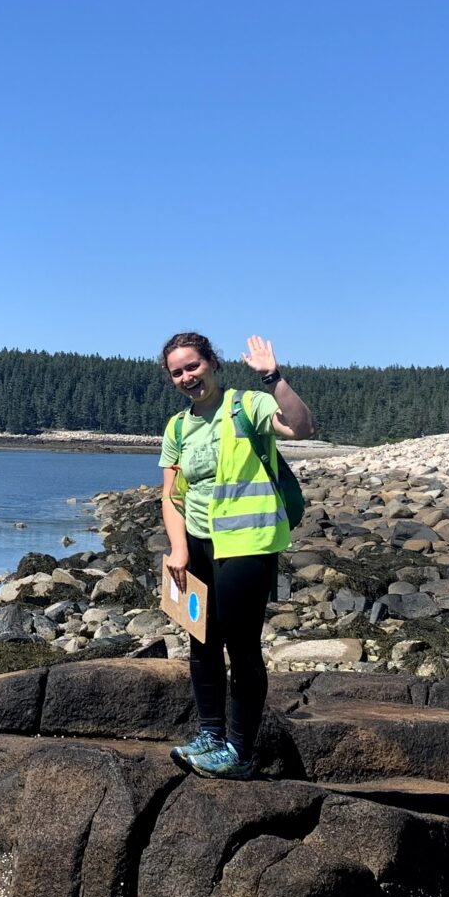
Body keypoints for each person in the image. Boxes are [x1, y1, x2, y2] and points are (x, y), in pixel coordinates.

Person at [158, 332, 315, 780]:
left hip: (249, 542)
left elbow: (303, 428)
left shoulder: (248, 405)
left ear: (212, 363)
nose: (188, 377)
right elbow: (170, 496)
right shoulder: (177, 427)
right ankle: (210, 735)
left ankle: (240, 752)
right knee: (201, 641)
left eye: (193, 366)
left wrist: (273, 377)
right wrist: (179, 548)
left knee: (241, 646)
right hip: (199, 546)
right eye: (178, 372)